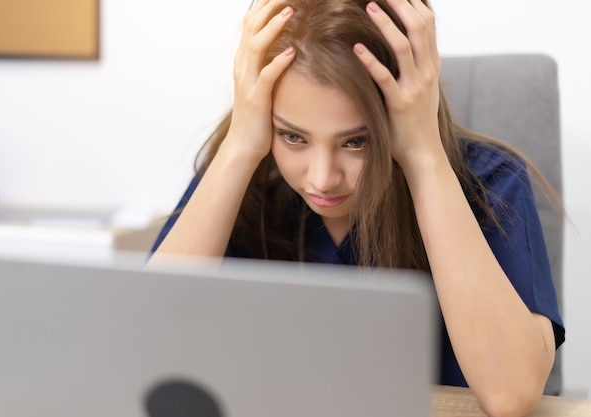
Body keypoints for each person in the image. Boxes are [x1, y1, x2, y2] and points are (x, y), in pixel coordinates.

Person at [149, 0, 565, 415]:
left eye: (356, 141)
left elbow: (512, 395)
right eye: (293, 136)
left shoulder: (490, 181)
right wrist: (240, 145)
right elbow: (143, 343)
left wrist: (423, 156)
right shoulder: (250, 177)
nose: (322, 178)